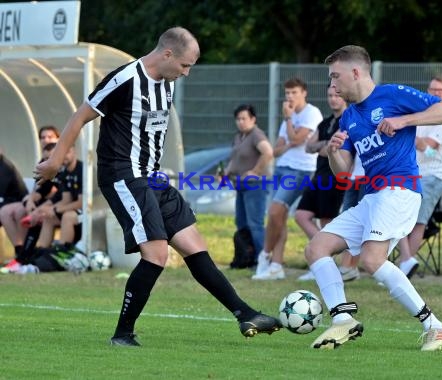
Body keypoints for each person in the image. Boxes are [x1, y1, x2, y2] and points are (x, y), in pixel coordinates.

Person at [35, 27, 281, 346]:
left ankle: (245, 314)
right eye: (184, 66)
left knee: (194, 244)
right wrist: (54, 161)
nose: (187, 73)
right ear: (167, 54)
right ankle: (122, 334)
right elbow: (80, 116)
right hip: (122, 175)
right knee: (156, 254)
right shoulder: (124, 79)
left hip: (152, 176)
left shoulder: (167, 83)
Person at [305, 45, 442, 351]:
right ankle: (341, 321)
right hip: (373, 196)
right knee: (316, 248)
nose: (332, 85)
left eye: (336, 77)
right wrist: (334, 152)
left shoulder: (390, 95)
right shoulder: (349, 117)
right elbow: (344, 173)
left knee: (372, 260)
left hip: (400, 190)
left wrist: (404, 121)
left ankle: (435, 327)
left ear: (356, 72)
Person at [252, 77, 323, 280]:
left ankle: (264, 255)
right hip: (281, 168)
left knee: (275, 211)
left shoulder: (310, 113)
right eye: (288, 93)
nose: (290, 97)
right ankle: (276, 266)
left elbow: (295, 139)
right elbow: (276, 150)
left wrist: (290, 121)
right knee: (277, 217)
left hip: (300, 170)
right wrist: (291, 139)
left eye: (294, 92)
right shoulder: (287, 118)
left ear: (304, 93)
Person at [397, 74, 442, 278]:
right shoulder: (423, 112)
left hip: (435, 175)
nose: (436, 93)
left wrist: (404, 127)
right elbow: (421, 145)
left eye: (440, 90)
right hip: (414, 172)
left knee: (419, 221)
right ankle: (405, 262)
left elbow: (429, 147)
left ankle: (404, 266)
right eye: (433, 89)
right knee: (396, 215)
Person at [295, 85, 350, 281]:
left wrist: (324, 147)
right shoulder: (325, 122)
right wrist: (324, 145)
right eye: (329, 95)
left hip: (334, 176)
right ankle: (322, 253)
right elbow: (310, 147)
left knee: (327, 221)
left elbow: (334, 150)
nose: (333, 99)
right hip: (318, 175)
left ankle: (323, 261)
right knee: (301, 215)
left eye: (336, 95)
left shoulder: (347, 120)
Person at [0, 127, 60, 273]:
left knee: (35, 214)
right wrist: (31, 200)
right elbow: (40, 190)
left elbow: (60, 192)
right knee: (25, 211)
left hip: (60, 207)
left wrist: (38, 204)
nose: (46, 140)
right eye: (43, 137)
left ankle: (28, 257)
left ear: (59, 140)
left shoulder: (65, 165)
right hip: (44, 204)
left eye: (50, 137)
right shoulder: (43, 163)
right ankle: (22, 254)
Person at [225, 104, 273, 268]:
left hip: (255, 186)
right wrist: (226, 172)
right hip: (241, 186)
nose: (240, 122)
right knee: (242, 223)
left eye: (244, 118)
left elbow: (268, 152)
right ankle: (248, 258)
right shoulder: (239, 136)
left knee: (255, 224)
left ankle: (263, 260)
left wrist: (255, 171)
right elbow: (234, 159)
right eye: (238, 119)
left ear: (253, 119)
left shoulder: (256, 135)